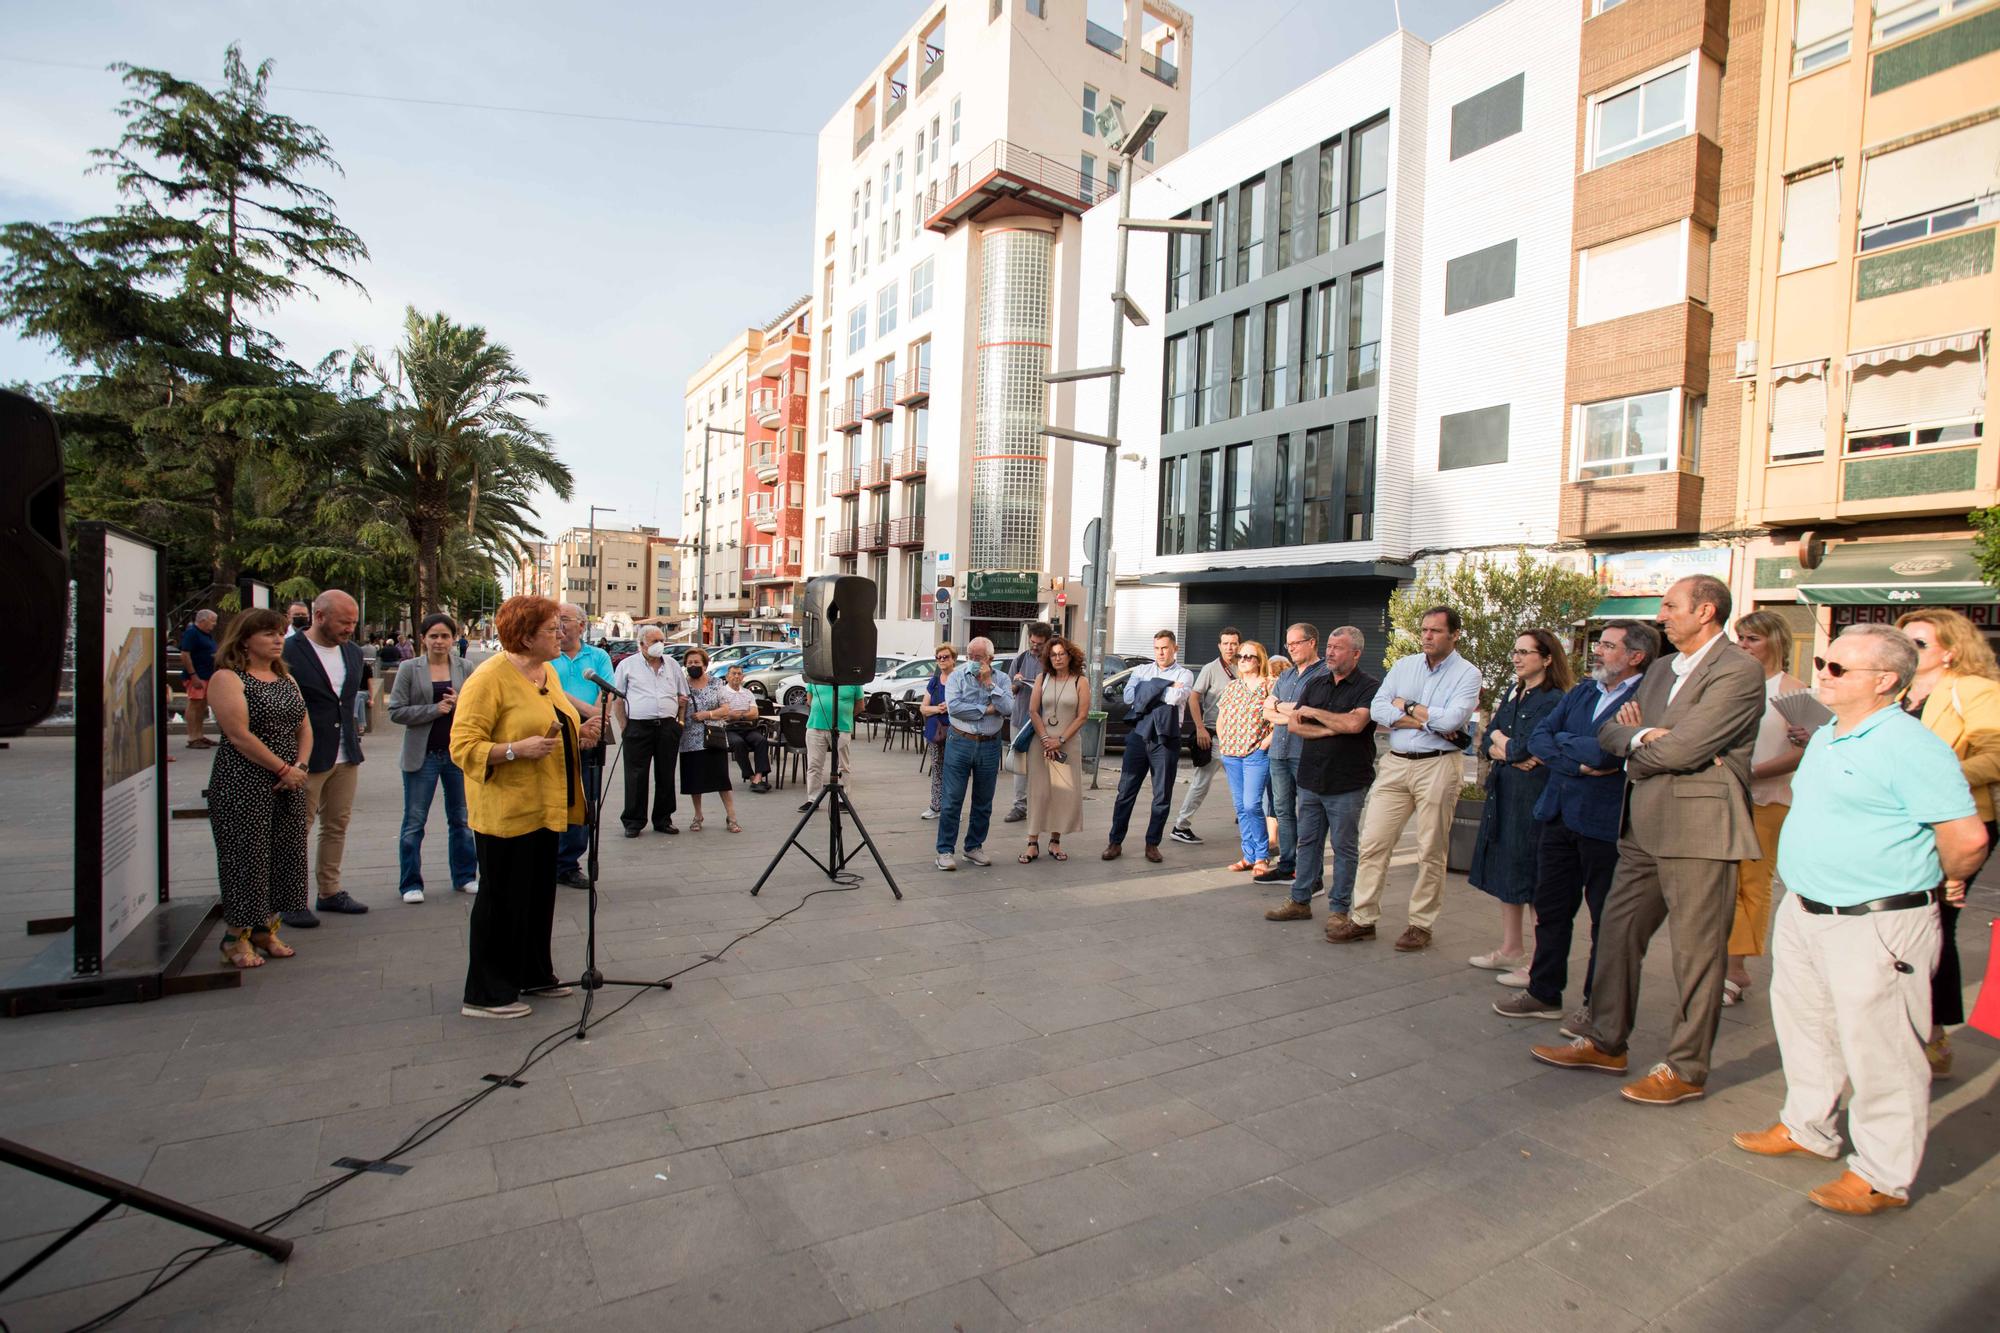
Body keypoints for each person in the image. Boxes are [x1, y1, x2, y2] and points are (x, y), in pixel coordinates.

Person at [1733, 624, 1986, 1216]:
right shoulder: (1828, 734)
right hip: (1806, 910)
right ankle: (1807, 1127)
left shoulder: (1910, 745)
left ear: (1886, 681)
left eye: (1839, 668)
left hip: (1877, 921)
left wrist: (1949, 877)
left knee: (1883, 1052)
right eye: (1824, 661)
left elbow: (1967, 837)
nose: (1822, 672)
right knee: (1807, 1027)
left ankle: (1881, 1174)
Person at [1531, 575, 1767, 1105]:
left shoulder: (1739, 671)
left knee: (1696, 955)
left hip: (1702, 832)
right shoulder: (1661, 668)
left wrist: (1644, 742)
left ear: (1706, 611)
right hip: (1641, 826)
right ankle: (1606, 1042)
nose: (1661, 616)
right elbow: (1609, 735)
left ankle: (1686, 1069)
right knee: (1615, 933)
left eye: (1670, 605)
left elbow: (1684, 750)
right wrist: (1641, 735)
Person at [1493, 620, 1655, 1026]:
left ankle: (1594, 1006)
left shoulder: (1648, 698)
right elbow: (1540, 739)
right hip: (1558, 812)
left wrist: (1586, 752)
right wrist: (1583, 758)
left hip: (1606, 822)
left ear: (1635, 657)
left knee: (1606, 920)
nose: (1596, 651)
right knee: (1551, 909)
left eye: (1607, 645)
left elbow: (1610, 756)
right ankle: (1544, 992)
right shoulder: (1584, 690)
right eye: (1598, 643)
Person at [450, 595, 598, 1019]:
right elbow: (463, 747)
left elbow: (558, 722)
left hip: (546, 806)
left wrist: (584, 731)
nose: (562, 634)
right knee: (503, 899)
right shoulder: (489, 678)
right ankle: (486, 993)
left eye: (562, 627)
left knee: (537, 897)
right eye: (553, 628)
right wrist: (514, 750)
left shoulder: (545, 671)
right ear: (525, 635)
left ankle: (534, 974)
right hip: (507, 811)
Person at [1332, 607, 1482, 951]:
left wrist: (1408, 705)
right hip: (1397, 763)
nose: (1427, 636)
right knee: (1373, 842)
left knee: (1431, 848)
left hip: (1439, 765)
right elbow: (1379, 708)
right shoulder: (1405, 665)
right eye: (1425, 630)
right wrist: (1423, 719)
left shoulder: (1467, 674)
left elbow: (1453, 721)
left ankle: (1420, 924)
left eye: (1436, 631)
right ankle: (1363, 918)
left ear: (1454, 635)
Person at [1894, 607, 2000, 1078]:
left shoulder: (1974, 690)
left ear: (1951, 651)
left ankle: (1932, 1036)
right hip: (1896, 825)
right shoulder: (1893, 689)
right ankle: (1902, 1026)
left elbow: (1996, 754)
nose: (1909, 651)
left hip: (1953, 822)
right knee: (1900, 926)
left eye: (1920, 644)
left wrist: (1938, 777)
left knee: (1936, 925)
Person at [204, 608, 311, 968]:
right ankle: (235, 937)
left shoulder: (286, 679)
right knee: (244, 858)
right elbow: (238, 735)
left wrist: (300, 767)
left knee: (282, 855)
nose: (278, 639)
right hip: (244, 781)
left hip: (288, 781)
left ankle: (265, 928)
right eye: (268, 634)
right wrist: (282, 767)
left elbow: (304, 725)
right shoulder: (227, 678)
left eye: (280, 633)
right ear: (245, 639)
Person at [1466, 628, 1573, 971]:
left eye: (1526, 652)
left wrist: (1509, 749)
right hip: (1505, 791)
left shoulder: (1554, 699)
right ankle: (1511, 949)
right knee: (1507, 870)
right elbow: (1486, 742)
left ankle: (1538, 964)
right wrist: (1506, 749)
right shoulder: (1515, 692)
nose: (1517, 657)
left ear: (1547, 658)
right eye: (1516, 651)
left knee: (1533, 876)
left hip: (1533, 796)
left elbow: (1526, 747)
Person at [1725, 611, 1808, 1008]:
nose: (1743, 645)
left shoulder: (1796, 692)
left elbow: (1803, 752)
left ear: (1775, 641)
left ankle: (1736, 967)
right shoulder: (1731, 685)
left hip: (1767, 798)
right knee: (1722, 883)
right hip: (1725, 795)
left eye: (1752, 639)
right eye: (1740, 638)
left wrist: (1751, 772)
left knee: (1752, 882)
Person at [1267, 626, 1377, 924]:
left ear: (1355, 653)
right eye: (1329, 646)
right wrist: (1331, 726)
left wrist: (1317, 715)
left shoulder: (1369, 686)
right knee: (1308, 842)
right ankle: (1299, 900)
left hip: (1347, 781)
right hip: (1311, 777)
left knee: (1343, 847)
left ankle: (1339, 910)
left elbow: (1356, 725)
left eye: (1337, 648)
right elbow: (1294, 724)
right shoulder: (1316, 684)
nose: (1330, 652)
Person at [279, 590, 370, 927]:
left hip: (346, 753)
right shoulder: (289, 651)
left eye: (354, 623)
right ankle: (290, 899)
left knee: (336, 825)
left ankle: (329, 892)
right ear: (319, 617)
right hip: (307, 756)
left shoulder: (353, 652)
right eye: (344, 622)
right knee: (296, 828)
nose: (350, 629)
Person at [387, 613, 477, 905]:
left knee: (461, 820)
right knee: (414, 822)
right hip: (422, 755)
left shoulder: (465, 666)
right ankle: (410, 883)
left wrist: (460, 704)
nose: (440, 642)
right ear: (423, 639)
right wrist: (434, 709)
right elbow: (397, 711)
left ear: (454, 638)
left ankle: (464, 876)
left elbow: (477, 708)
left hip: (456, 755)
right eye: (433, 636)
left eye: (445, 636)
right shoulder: (409, 669)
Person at [1104, 630, 1196, 864]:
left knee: (1162, 794)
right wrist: (1163, 686)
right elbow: (1127, 696)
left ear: (1175, 648)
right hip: (1138, 735)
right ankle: (1115, 842)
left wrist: (1148, 690)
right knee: (1125, 791)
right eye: (1157, 648)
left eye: (1165, 648)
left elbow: (1176, 698)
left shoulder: (1184, 674)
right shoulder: (1142, 670)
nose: (1161, 652)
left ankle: (1152, 844)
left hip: (1166, 739)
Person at [549, 605, 612, 888]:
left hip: (592, 737)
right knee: (555, 799)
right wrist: (583, 717)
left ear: (582, 625)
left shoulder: (598, 656)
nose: (560, 626)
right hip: (557, 735)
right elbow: (551, 694)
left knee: (586, 804)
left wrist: (595, 725)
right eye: (556, 621)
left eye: (564, 620)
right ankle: (551, 860)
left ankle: (569, 864)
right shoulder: (548, 656)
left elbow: (606, 692)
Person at [1258, 625, 1326, 886]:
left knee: (1310, 814)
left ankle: (1313, 875)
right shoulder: (1285, 676)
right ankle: (1287, 865)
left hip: (1305, 753)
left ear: (1312, 642)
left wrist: (1282, 708)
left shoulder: (1323, 675)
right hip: (1279, 753)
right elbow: (1266, 710)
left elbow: (1310, 712)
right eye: (1289, 645)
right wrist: (1289, 711)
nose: (1292, 648)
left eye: (1297, 643)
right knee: (1283, 812)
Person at [936, 636, 1011, 871]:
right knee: (952, 799)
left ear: (991, 658)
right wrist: (988, 709)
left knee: (983, 801)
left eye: (978, 657)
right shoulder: (957, 676)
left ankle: (973, 847)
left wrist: (989, 684)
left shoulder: (1002, 679)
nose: (973, 661)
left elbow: (1008, 708)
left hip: (989, 745)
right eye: (970, 657)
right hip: (960, 741)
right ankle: (945, 850)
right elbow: (955, 708)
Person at [612, 624, 687, 837]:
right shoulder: (627, 665)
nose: (660, 645)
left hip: (667, 726)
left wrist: (680, 722)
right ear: (642, 644)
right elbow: (618, 698)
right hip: (638, 726)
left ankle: (663, 819)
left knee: (666, 774)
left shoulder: (672, 664)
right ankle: (633, 821)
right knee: (636, 775)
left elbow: (683, 696)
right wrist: (624, 725)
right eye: (655, 641)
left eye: (662, 640)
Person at [1169, 629, 1240, 847]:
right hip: (1214, 735)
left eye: (1234, 643)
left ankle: (1246, 818)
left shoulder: (1245, 666)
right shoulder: (1211, 669)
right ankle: (1181, 826)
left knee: (1243, 782)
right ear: (1219, 645)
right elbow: (1194, 697)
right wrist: (1200, 728)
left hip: (1239, 737)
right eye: (1226, 643)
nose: (1230, 647)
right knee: (1201, 783)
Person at [1022, 635, 1086, 863]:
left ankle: (1055, 841)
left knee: (1061, 792)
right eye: (1053, 655)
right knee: (1038, 792)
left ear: (1070, 656)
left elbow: (1082, 716)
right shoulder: (1043, 678)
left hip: (1066, 743)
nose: (1058, 658)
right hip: (1041, 743)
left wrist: (1059, 740)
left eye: (1061, 654)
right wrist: (1046, 738)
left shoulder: (1080, 681)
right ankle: (1032, 843)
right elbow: (1033, 711)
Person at [1216, 639, 1276, 875]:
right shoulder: (1232, 687)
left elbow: (1279, 720)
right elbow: (1221, 717)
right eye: (1240, 656)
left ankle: (1262, 856)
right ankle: (1249, 855)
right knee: (1241, 806)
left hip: (1255, 754)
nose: (1243, 660)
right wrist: (1222, 743)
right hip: (1231, 754)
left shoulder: (1270, 685)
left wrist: (1264, 744)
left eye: (1249, 656)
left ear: (1259, 660)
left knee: (1253, 804)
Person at [679, 648, 740, 833]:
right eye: (690, 663)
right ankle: (698, 816)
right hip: (689, 739)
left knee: (721, 778)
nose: (693, 666)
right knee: (694, 781)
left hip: (713, 737)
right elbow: (677, 713)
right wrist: (679, 705)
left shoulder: (716, 684)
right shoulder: (682, 685)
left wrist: (708, 714)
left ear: (705, 665)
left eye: (697, 663)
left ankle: (732, 817)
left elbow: (726, 709)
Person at [1004, 621, 1051, 823]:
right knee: (1020, 765)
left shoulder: (1054, 660)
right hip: (1020, 719)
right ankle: (1019, 806)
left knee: (1043, 766)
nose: (1034, 646)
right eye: (1032, 642)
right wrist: (1016, 682)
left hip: (1046, 721)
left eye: (1039, 644)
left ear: (1047, 642)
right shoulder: (1021, 659)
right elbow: (1008, 690)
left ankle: (1042, 806)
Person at [803, 679, 863, 812]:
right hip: (815, 725)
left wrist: (844, 716)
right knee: (814, 764)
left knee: (843, 765)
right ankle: (812, 799)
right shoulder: (816, 677)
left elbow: (860, 705)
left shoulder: (853, 681)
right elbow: (810, 699)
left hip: (841, 728)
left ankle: (844, 799)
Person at [718, 663, 771, 793]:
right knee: (738, 743)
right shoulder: (721, 692)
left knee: (761, 741)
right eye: (733, 674)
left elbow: (755, 714)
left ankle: (758, 776)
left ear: (743, 677)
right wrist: (742, 714)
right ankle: (751, 776)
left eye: (739, 674)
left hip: (748, 728)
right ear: (727, 676)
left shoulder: (748, 693)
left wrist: (738, 716)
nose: (736, 676)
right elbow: (725, 714)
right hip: (729, 729)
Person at [918, 645, 956, 819]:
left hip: (955, 733)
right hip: (935, 732)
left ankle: (952, 809)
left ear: (953, 659)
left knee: (954, 771)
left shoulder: (959, 679)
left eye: (945, 657)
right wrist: (938, 709)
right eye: (938, 657)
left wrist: (950, 707)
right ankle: (935, 806)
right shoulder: (933, 682)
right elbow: (923, 708)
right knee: (937, 769)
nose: (941, 660)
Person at [177, 608, 218, 748]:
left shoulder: (206, 634)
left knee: (201, 706)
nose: (214, 624)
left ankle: (199, 735)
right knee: (195, 704)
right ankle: (193, 737)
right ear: (202, 620)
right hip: (197, 675)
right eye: (212, 621)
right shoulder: (192, 633)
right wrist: (193, 675)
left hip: (207, 675)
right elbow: (185, 654)